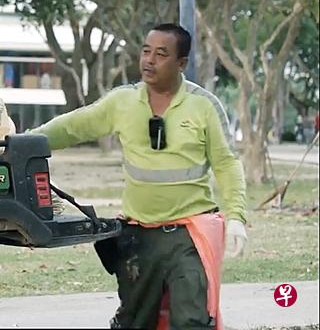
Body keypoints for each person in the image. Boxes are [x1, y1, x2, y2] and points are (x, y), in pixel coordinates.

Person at [29, 23, 247, 329]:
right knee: (136, 320)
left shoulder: (204, 106)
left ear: (181, 63)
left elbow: (227, 163)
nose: (149, 60)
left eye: (161, 54)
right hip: (139, 237)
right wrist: (24, 143)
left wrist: (236, 216)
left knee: (192, 320)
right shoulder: (123, 102)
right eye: (146, 51)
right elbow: (72, 127)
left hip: (189, 236)